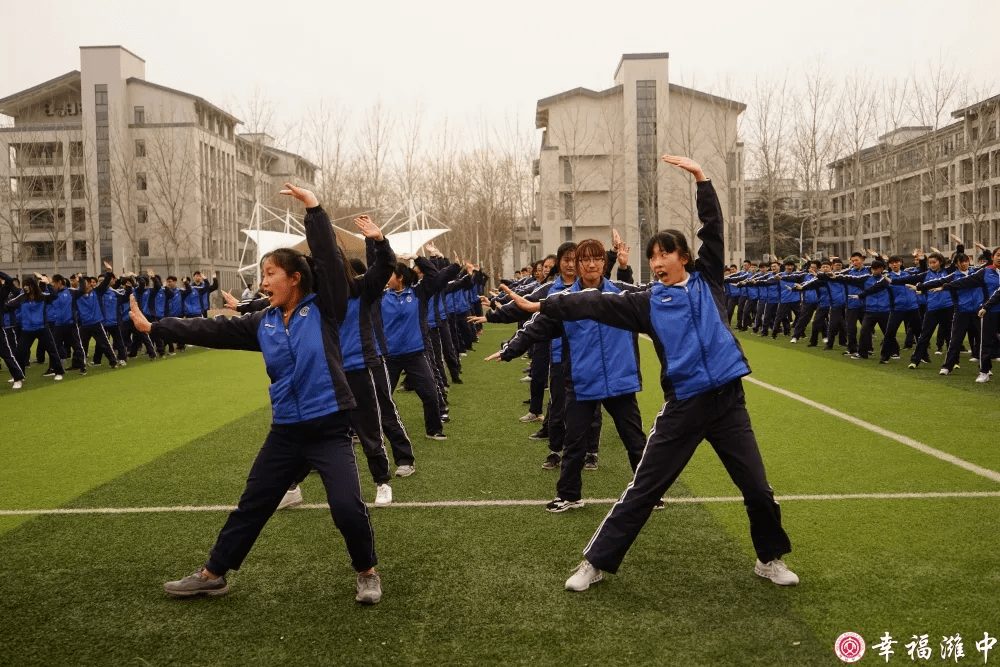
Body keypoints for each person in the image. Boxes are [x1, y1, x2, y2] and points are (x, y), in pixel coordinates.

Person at [501, 156, 795, 590]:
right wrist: (544, 304)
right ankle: (594, 563)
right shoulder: (645, 301)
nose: (657, 261)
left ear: (684, 257)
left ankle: (769, 559)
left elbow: (714, 229)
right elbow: (592, 303)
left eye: (665, 253)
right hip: (684, 408)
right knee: (643, 490)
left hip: (729, 405)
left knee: (758, 489)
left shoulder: (708, 281)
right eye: (652, 255)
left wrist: (702, 180)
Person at [133, 183, 382, 604]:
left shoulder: (325, 308)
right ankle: (213, 574)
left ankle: (367, 573)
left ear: (295, 278)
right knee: (252, 505)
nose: (263, 282)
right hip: (285, 432)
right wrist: (156, 327)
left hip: (329, 429)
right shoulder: (261, 322)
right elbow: (211, 329)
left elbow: (325, 256)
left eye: (270, 274)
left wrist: (313, 208)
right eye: (262, 275)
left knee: (346, 507)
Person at [488, 238, 647, 513]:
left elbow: (651, 296)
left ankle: (649, 492)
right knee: (573, 443)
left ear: (603, 262)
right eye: (584, 259)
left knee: (635, 440)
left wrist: (625, 270)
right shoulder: (564, 300)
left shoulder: (621, 293)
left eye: (596, 259)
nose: (590, 264)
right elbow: (536, 326)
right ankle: (570, 495)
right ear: (577, 264)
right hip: (583, 381)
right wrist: (510, 350)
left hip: (620, 380)